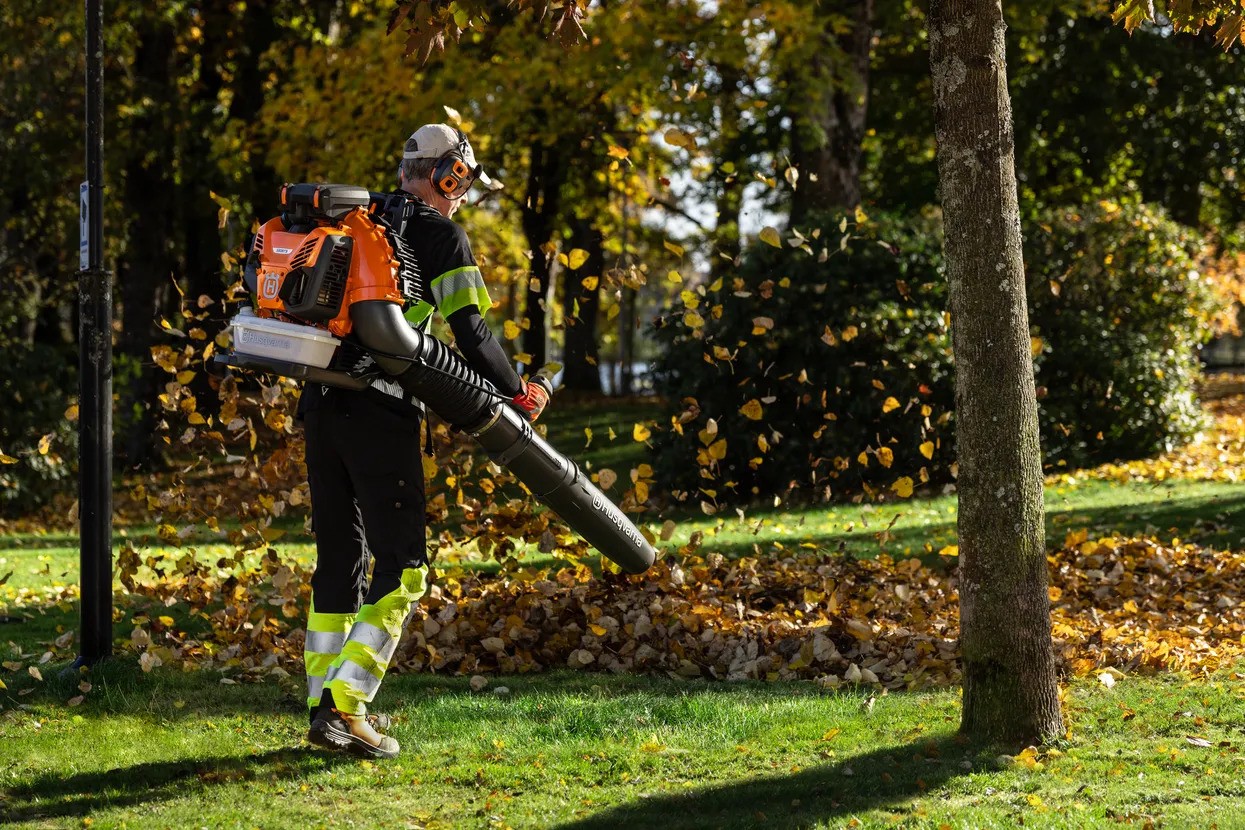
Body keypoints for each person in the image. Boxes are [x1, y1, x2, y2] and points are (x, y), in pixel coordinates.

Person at [301, 124, 549, 759]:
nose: (463, 196)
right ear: (449, 175)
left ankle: (320, 705)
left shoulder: (359, 217)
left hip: (321, 402)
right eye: (463, 183)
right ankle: (344, 707)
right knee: (404, 565)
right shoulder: (440, 234)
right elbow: (471, 331)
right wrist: (518, 391)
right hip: (380, 412)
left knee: (339, 561)